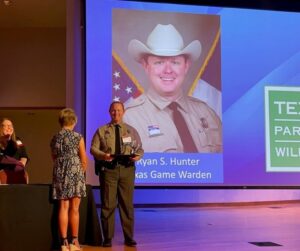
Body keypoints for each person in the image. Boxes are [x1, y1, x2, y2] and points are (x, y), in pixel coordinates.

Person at [124, 23, 222, 153]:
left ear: (186, 66)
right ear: (146, 66)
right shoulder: (129, 119)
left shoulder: (207, 113)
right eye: (159, 62)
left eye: (175, 62)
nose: (168, 70)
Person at [90, 101, 144, 247]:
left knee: (127, 205)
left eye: (119, 110)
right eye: (113, 111)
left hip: (127, 170)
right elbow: (93, 149)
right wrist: (104, 156)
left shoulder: (131, 131)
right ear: (109, 112)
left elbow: (140, 149)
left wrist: (137, 156)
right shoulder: (102, 130)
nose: (116, 113)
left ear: (123, 112)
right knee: (108, 204)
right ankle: (107, 238)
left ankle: (129, 237)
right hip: (109, 171)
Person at [50, 108, 87, 251]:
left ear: (61, 121)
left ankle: (64, 242)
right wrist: (79, 173)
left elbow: (54, 158)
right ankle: (75, 242)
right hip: (75, 173)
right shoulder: (78, 137)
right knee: (75, 208)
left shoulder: (54, 137)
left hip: (60, 173)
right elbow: (84, 160)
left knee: (63, 207)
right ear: (74, 121)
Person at [0, 118, 29, 184]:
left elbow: (24, 155)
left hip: (17, 173)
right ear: (1, 128)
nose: (9, 127)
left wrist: (21, 164)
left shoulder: (17, 140)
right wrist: (4, 139)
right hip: (2, 175)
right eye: (6, 125)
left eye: (11, 125)